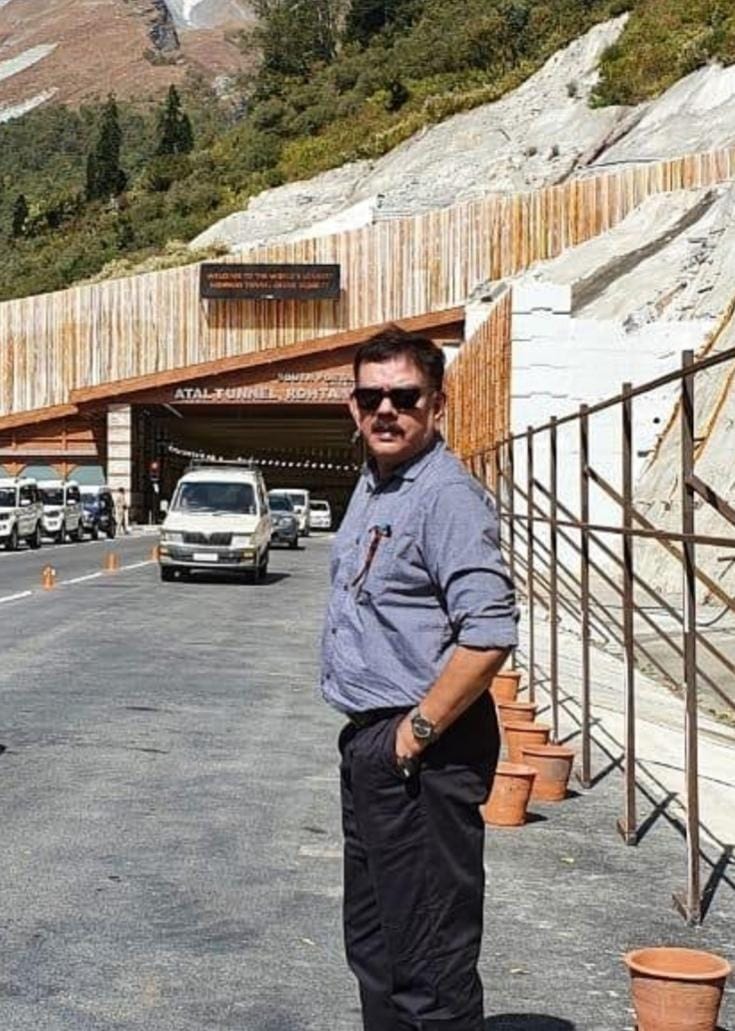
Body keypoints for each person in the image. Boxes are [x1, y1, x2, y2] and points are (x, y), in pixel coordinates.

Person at [321, 326, 518, 1030]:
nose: (386, 410)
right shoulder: (376, 485)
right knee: (376, 947)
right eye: (371, 396)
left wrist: (414, 735)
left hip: (426, 751)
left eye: (403, 397)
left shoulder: (446, 497)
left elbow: (489, 631)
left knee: (430, 963)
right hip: (375, 745)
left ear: (436, 403)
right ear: (353, 405)